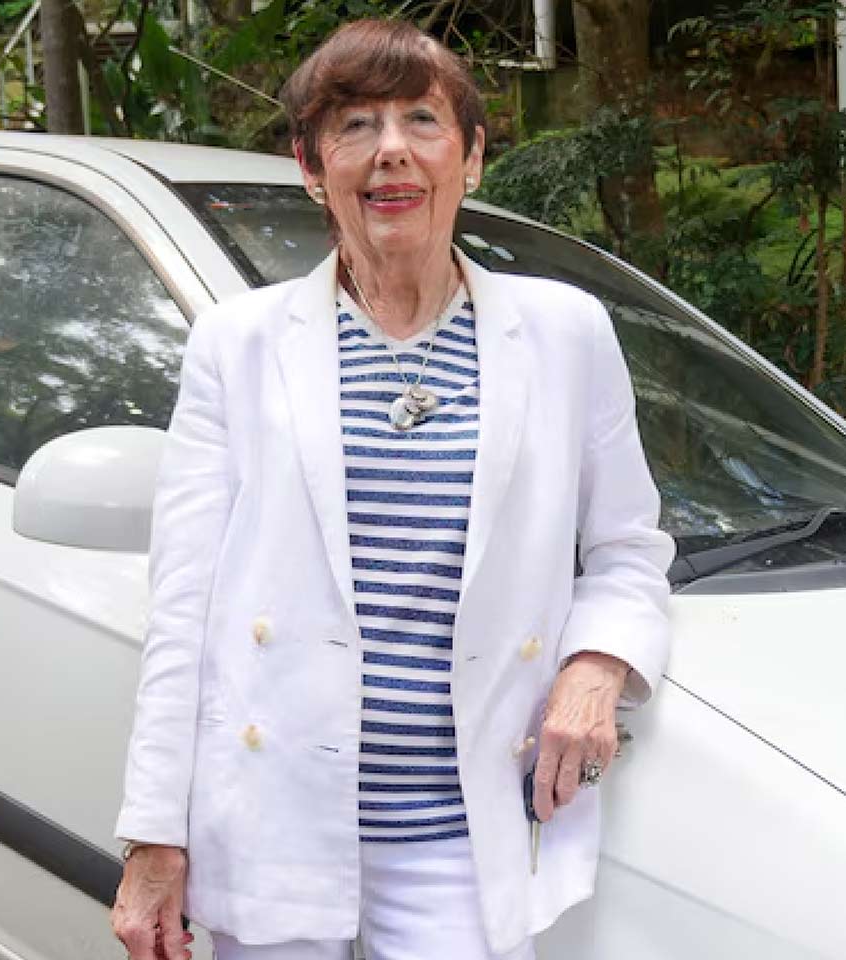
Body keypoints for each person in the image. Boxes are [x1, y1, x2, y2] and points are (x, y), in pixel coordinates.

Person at [111, 19, 674, 960]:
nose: (392, 151)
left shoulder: (565, 334)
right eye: (355, 126)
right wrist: (153, 833)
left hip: (462, 834)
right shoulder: (237, 345)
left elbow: (627, 549)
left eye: (422, 119)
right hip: (278, 823)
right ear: (311, 166)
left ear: (473, 156)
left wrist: (596, 666)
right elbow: (183, 607)